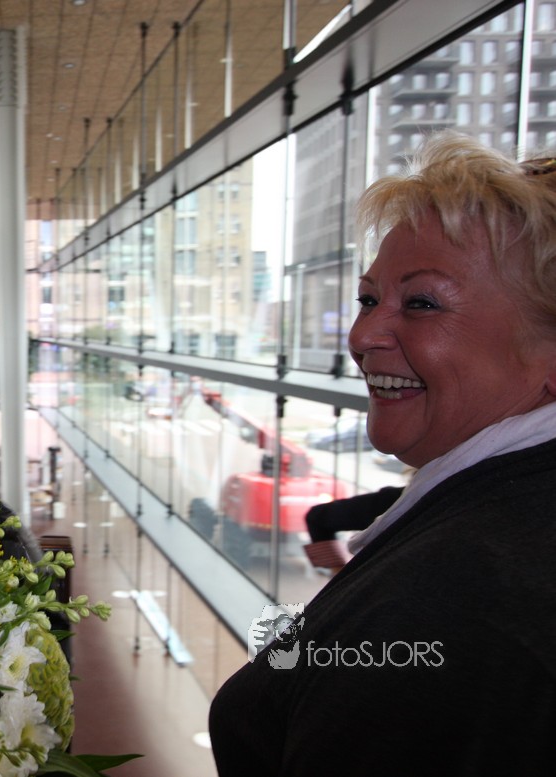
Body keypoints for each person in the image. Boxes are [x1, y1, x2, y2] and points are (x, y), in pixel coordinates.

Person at [209, 131, 556, 774]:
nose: (362, 335)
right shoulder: (495, 520)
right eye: (369, 299)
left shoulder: (458, 600)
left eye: (421, 303)